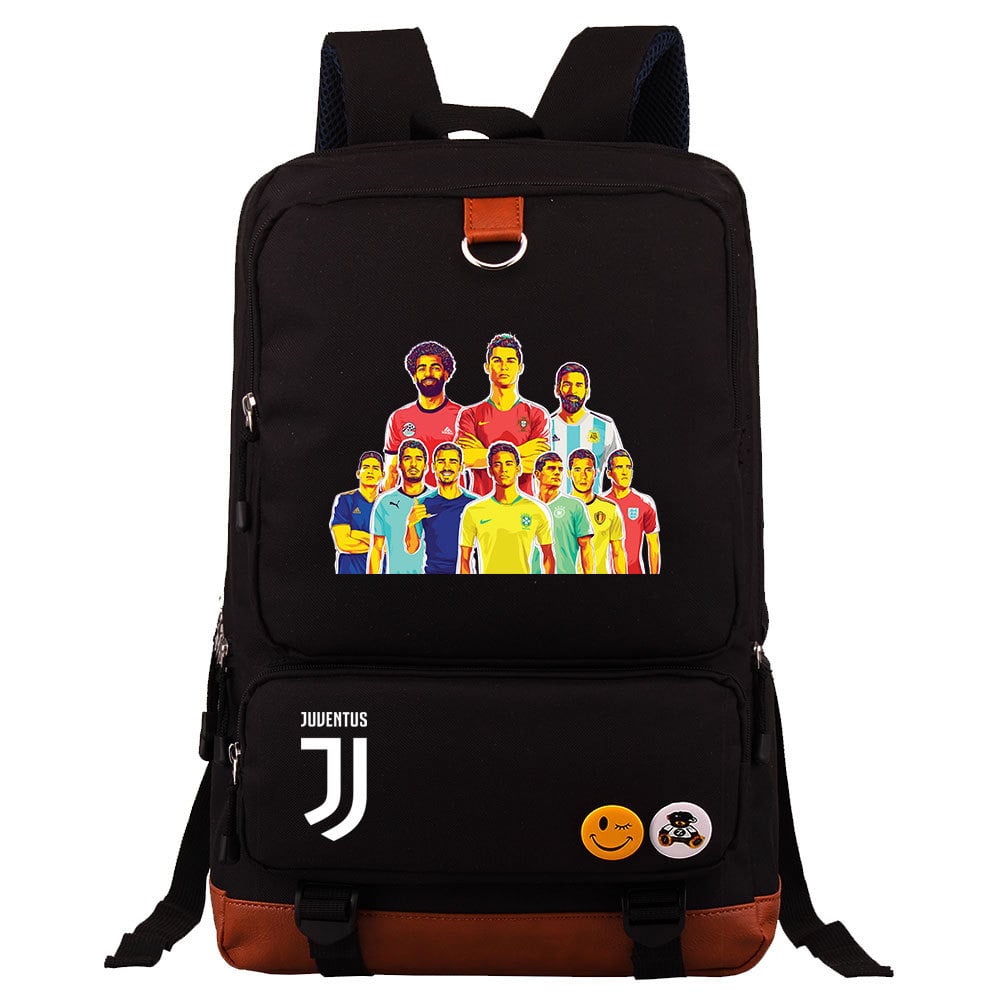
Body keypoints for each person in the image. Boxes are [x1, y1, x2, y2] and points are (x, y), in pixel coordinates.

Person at [455, 333, 549, 496]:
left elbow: (538, 464)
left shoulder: (537, 414)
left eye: (510, 361)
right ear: (487, 367)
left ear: (520, 368)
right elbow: (465, 459)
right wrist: (521, 451)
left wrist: (482, 454)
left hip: (524, 504)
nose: (504, 366)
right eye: (497, 360)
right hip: (480, 503)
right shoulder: (470, 414)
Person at [458, 441, 555, 574]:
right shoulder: (473, 511)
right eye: (497, 464)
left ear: (518, 469)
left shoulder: (537, 510)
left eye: (509, 464)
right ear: (490, 471)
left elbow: (548, 556)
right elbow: (464, 560)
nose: (503, 469)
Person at [383, 340, 463, 489]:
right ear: (414, 376)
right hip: (411, 501)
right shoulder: (398, 418)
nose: (428, 373)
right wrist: (383, 500)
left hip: (451, 501)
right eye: (422, 368)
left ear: (446, 374)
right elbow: (391, 471)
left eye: (435, 368)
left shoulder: (463, 416)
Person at [548, 362, 624, 492]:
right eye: (567, 384)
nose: (573, 391)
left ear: (587, 391)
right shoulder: (544, 427)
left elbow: (620, 470)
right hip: (552, 505)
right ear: (557, 389)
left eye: (579, 385)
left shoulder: (605, 426)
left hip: (592, 505)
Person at [404, 442, 477, 574]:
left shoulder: (474, 504)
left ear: (461, 467)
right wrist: (410, 524)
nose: (446, 467)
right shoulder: (422, 502)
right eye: (441, 461)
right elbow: (411, 548)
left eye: (453, 462)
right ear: (434, 467)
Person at [367, 440, 429, 574]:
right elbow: (377, 549)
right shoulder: (384, 502)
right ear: (399, 465)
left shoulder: (436, 499)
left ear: (426, 466)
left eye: (418, 459)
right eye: (407, 458)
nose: (413, 464)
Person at [530, 452, 594, 574]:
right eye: (551, 468)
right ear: (537, 474)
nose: (557, 473)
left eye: (560, 469)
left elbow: (586, 548)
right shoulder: (527, 508)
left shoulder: (574, 506)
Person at [567, 448, 626, 574]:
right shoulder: (560, 508)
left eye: (588, 470)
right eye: (577, 470)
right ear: (569, 473)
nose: (583, 476)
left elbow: (617, 552)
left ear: (595, 473)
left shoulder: (610, 508)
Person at [603, 449, 661, 574]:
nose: (625, 472)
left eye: (628, 467)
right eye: (619, 467)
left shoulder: (645, 502)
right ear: (609, 473)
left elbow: (653, 545)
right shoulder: (600, 502)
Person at [329, 451, 383, 574]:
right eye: (366, 467)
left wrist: (357, 534)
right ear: (358, 473)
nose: (370, 471)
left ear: (382, 474)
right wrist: (377, 544)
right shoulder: (345, 500)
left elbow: (392, 546)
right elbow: (342, 543)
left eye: (375, 468)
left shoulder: (387, 503)